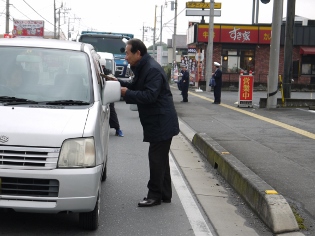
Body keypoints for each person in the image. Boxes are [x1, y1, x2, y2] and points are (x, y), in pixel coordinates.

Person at [108, 38, 179, 207]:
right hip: (158, 120)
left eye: (127, 53)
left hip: (161, 121)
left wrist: (126, 93)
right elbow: (135, 85)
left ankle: (154, 195)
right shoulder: (144, 67)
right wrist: (118, 84)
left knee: (156, 159)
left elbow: (149, 95)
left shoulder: (152, 69)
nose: (125, 57)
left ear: (138, 53)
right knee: (160, 159)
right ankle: (165, 194)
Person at [101, 65, 124, 137]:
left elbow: (113, 79)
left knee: (111, 110)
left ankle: (117, 129)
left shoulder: (107, 72)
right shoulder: (94, 69)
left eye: (102, 66)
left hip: (107, 92)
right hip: (96, 93)